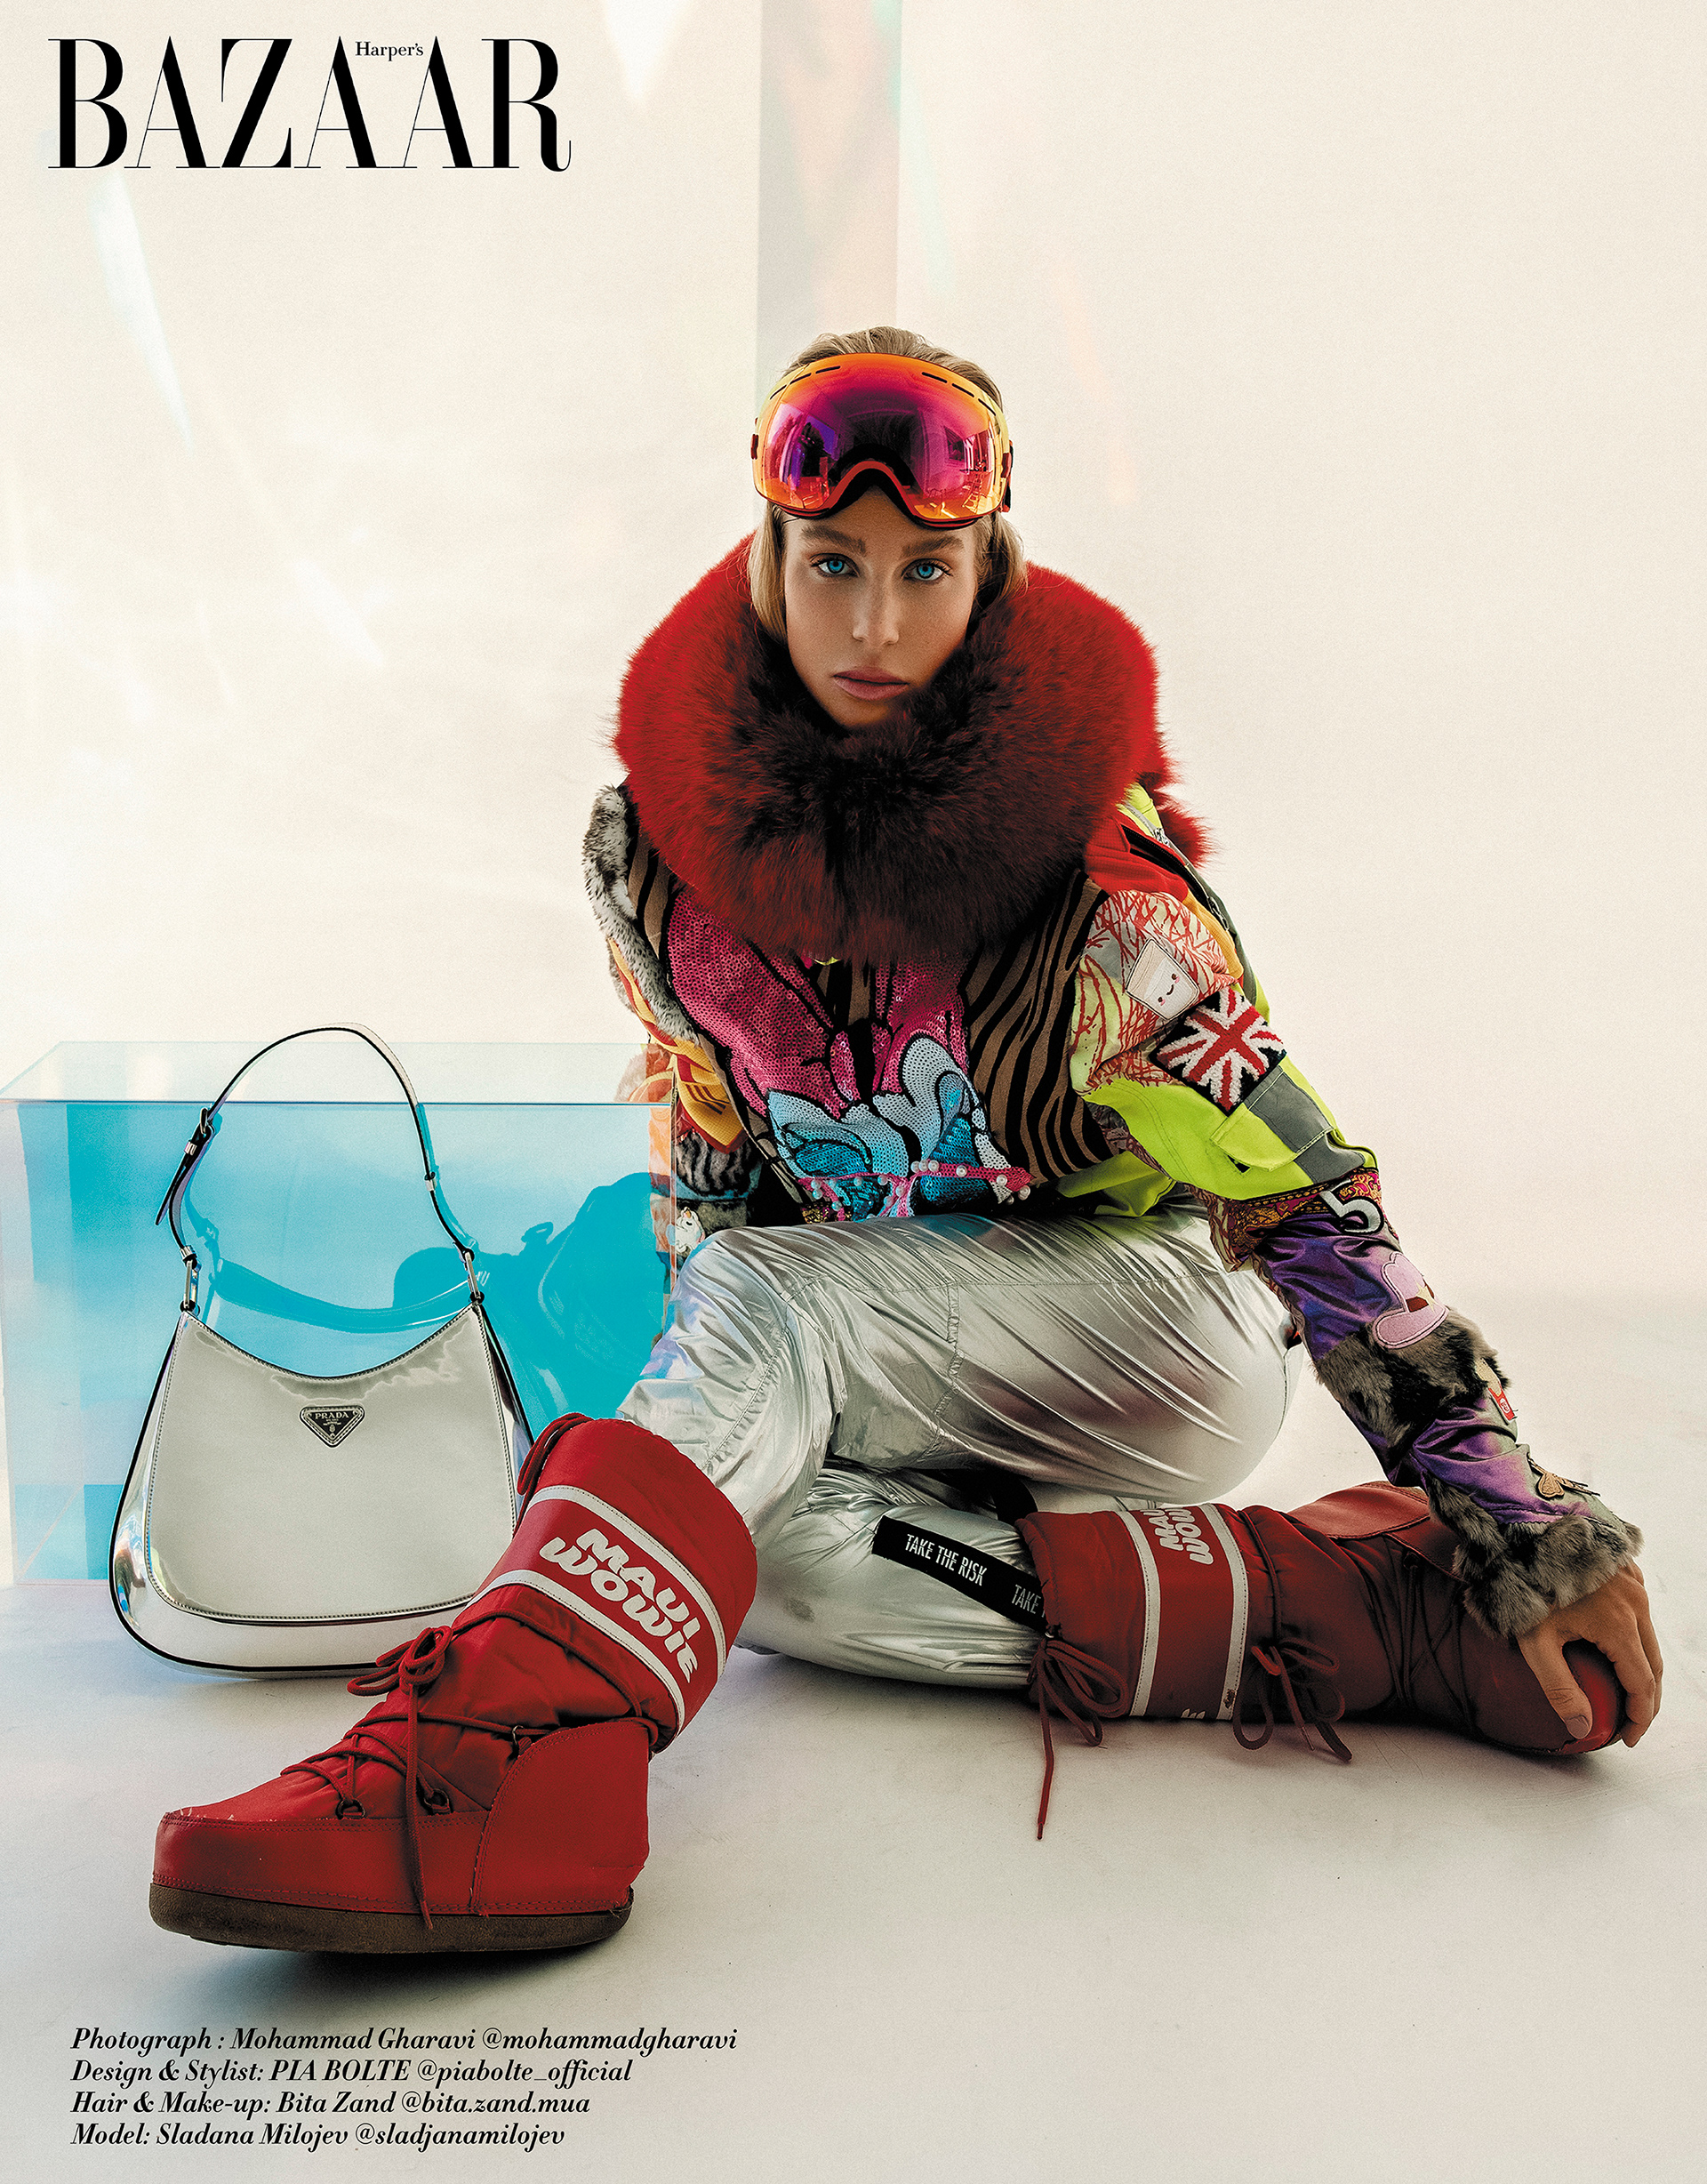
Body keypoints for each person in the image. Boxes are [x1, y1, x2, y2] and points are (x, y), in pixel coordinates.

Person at [148, 329, 1663, 1955]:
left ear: (986, 575)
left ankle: (499, 1764)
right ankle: (1358, 1616)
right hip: (894, 1350)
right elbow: (717, 1167)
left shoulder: (1098, 904)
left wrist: (1519, 1527)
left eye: (925, 571)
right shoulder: (656, 870)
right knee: (740, 1566)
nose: (875, 626)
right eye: (834, 565)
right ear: (767, 562)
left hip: (1154, 1327)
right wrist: (706, 1421)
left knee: (769, 1317)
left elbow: (1310, 1208)